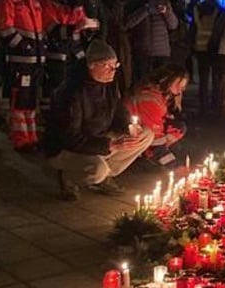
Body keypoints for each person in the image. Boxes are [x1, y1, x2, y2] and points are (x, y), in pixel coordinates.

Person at [45, 39, 154, 201]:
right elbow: (69, 137)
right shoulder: (71, 92)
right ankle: (68, 177)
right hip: (68, 148)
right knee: (97, 171)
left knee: (146, 134)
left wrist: (129, 127)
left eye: (115, 66)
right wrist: (109, 145)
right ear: (91, 65)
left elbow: (119, 111)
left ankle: (105, 176)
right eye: (107, 66)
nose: (113, 71)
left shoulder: (108, 84)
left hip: (99, 138)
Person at [0, 0, 46, 151]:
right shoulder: (9, 1)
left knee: (31, 100)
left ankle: (31, 135)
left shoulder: (34, 2)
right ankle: (20, 137)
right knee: (20, 99)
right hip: (20, 60)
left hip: (35, 59)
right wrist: (24, 46)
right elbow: (5, 28)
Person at [40, 0, 96, 119]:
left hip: (75, 52)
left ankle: (70, 116)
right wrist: (74, 28)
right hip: (56, 51)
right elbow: (50, 28)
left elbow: (81, 20)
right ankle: (50, 119)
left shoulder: (77, 2)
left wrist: (89, 27)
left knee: (77, 84)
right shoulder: (50, 1)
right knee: (55, 86)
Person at [127, 66, 189, 166]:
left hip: (146, 127)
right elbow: (156, 139)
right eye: (178, 85)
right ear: (166, 81)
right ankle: (148, 155)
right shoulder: (149, 98)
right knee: (157, 142)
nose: (180, 91)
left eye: (182, 88)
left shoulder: (161, 93)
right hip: (133, 132)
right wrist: (174, 167)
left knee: (178, 127)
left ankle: (162, 153)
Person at [124, 0, 179, 85]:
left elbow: (173, 25)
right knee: (144, 82)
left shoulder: (163, 1)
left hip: (161, 51)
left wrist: (166, 13)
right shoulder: (133, 4)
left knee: (162, 82)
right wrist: (146, 10)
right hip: (142, 51)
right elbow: (128, 23)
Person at [99, 0, 133, 92]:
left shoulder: (107, 4)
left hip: (114, 40)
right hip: (116, 40)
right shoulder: (117, 5)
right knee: (120, 70)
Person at [192, 0, 221, 115]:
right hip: (214, 47)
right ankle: (216, 104)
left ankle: (203, 106)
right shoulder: (219, 9)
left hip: (200, 46)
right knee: (216, 78)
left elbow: (193, 28)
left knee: (203, 78)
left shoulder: (198, 8)